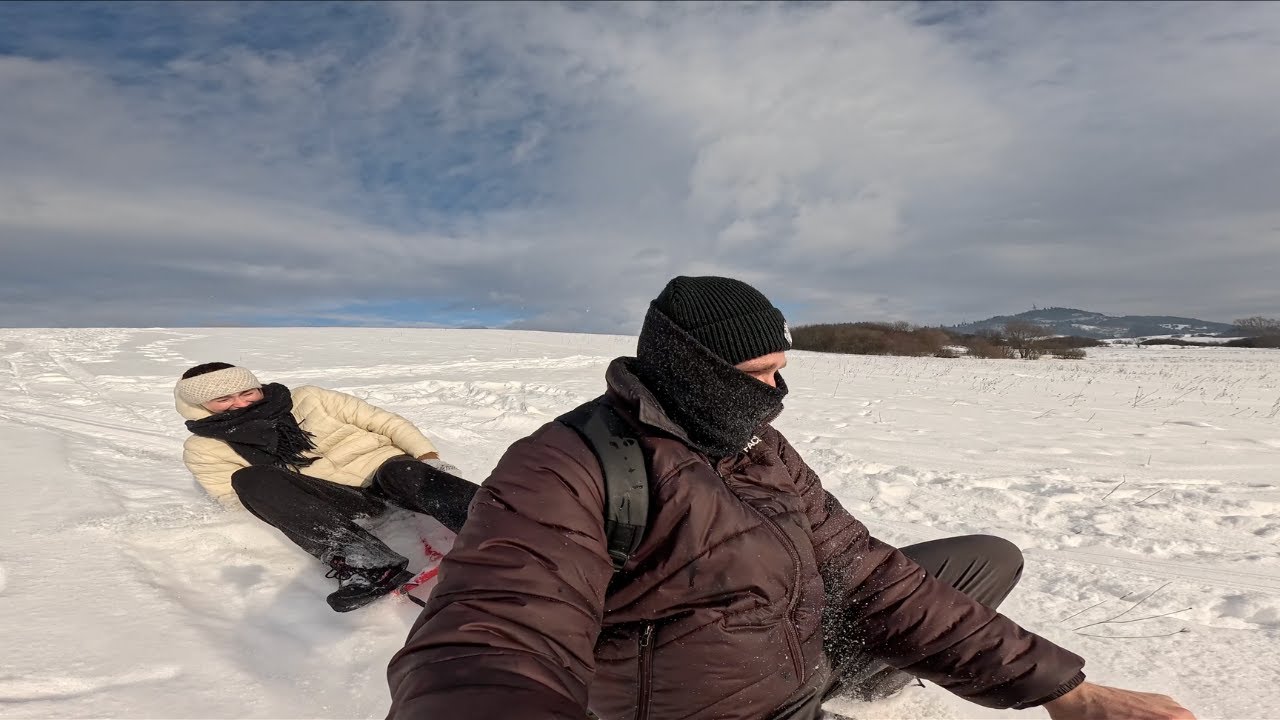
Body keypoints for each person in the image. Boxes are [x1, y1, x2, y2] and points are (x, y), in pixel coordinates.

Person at [385, 276, 1195, 720]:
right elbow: (490, 639)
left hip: (796, 655)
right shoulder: (565, 465)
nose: (778, 393)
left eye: (781, 367)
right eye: (759, 375)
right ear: (687, 366)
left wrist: (1063, 689)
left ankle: (851, 677)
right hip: (708, 705)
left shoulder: (756, 445)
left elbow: (871, 573)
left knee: (976, 562)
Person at [173, 362, 478, 612]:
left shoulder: (310, 398)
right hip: (340, 501)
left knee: (405, 470)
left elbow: (385, 423)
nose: (240, 403)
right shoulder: (204, 448)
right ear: (200, 405)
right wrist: (301, 507)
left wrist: (429, 458)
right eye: (223, 400)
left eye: (247, 392)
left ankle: (496, 521)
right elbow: (234, 498)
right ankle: (369, 566)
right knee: (249, 480)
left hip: (387, 471)